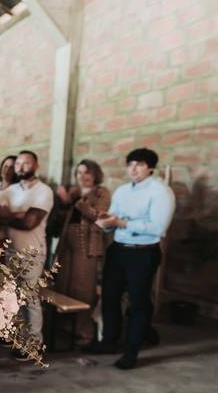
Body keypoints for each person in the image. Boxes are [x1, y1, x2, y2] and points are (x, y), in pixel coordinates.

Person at [86, 148, 175, 370]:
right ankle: (109, 341)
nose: (133, 169)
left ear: (151, 168)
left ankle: (132, 351)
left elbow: (158, 227)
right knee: (110, 296)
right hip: (119, 248)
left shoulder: (161, 192)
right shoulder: (123, 190)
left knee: (138, 302)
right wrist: (105, 221)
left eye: (139, 164)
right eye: (130, 164)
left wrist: (122, 223)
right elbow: (113, 216)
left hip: (143, 251)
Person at [0, 150, 53, 343]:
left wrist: (11, 214)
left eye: (26, 163)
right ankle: (18, 340)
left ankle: (34, 343)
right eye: (18, 163)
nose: (20, 166)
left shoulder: (44, 191)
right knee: (11, 299)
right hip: (11, 251)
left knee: (30, 300)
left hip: (32, 253)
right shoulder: (10, 190)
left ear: (36, 166)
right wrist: (19, 214)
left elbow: (29, 223)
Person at [54, 160, 111, 346]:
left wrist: (76, 202)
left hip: (86, 243)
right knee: (64, 284)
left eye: (86, 173)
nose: (82, 177)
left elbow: (99, 217)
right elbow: (61, 221)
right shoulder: (74, 192)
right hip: (67, 241)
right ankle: (66, 327)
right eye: (79, 173)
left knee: (84, 288)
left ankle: (84, 332)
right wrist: (63, 204)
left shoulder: (101, 192)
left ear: (95, 174)